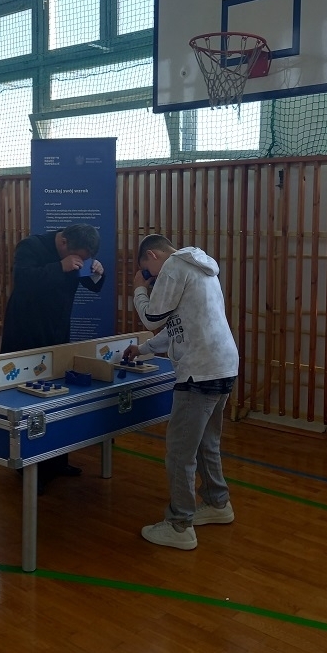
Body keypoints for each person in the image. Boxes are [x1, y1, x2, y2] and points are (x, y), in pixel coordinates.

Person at [123, 235, 237, 550]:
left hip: (199, 371)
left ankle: (179, 525)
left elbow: (152, 317)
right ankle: (217, 503)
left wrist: (139, 288)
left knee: (179, 452)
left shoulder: (174, 265)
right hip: (223, 365)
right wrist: (143, 349)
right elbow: (179, 327)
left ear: (152, 255)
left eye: (149, 271)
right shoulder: (199, 268)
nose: (153, 279)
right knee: (205, 443)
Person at [1, 224, 105, 492]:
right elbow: (23, 280)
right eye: (78, 256)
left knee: (56, 397)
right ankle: (28, 468)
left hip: (57, 334)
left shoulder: (74, 254)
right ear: (64, 242)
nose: (80, 261)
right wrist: (60, 267)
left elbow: (91, 286)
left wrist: (97, 274)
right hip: (26, 335)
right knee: (27, 402)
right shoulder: (31, 246)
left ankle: (57, 462)